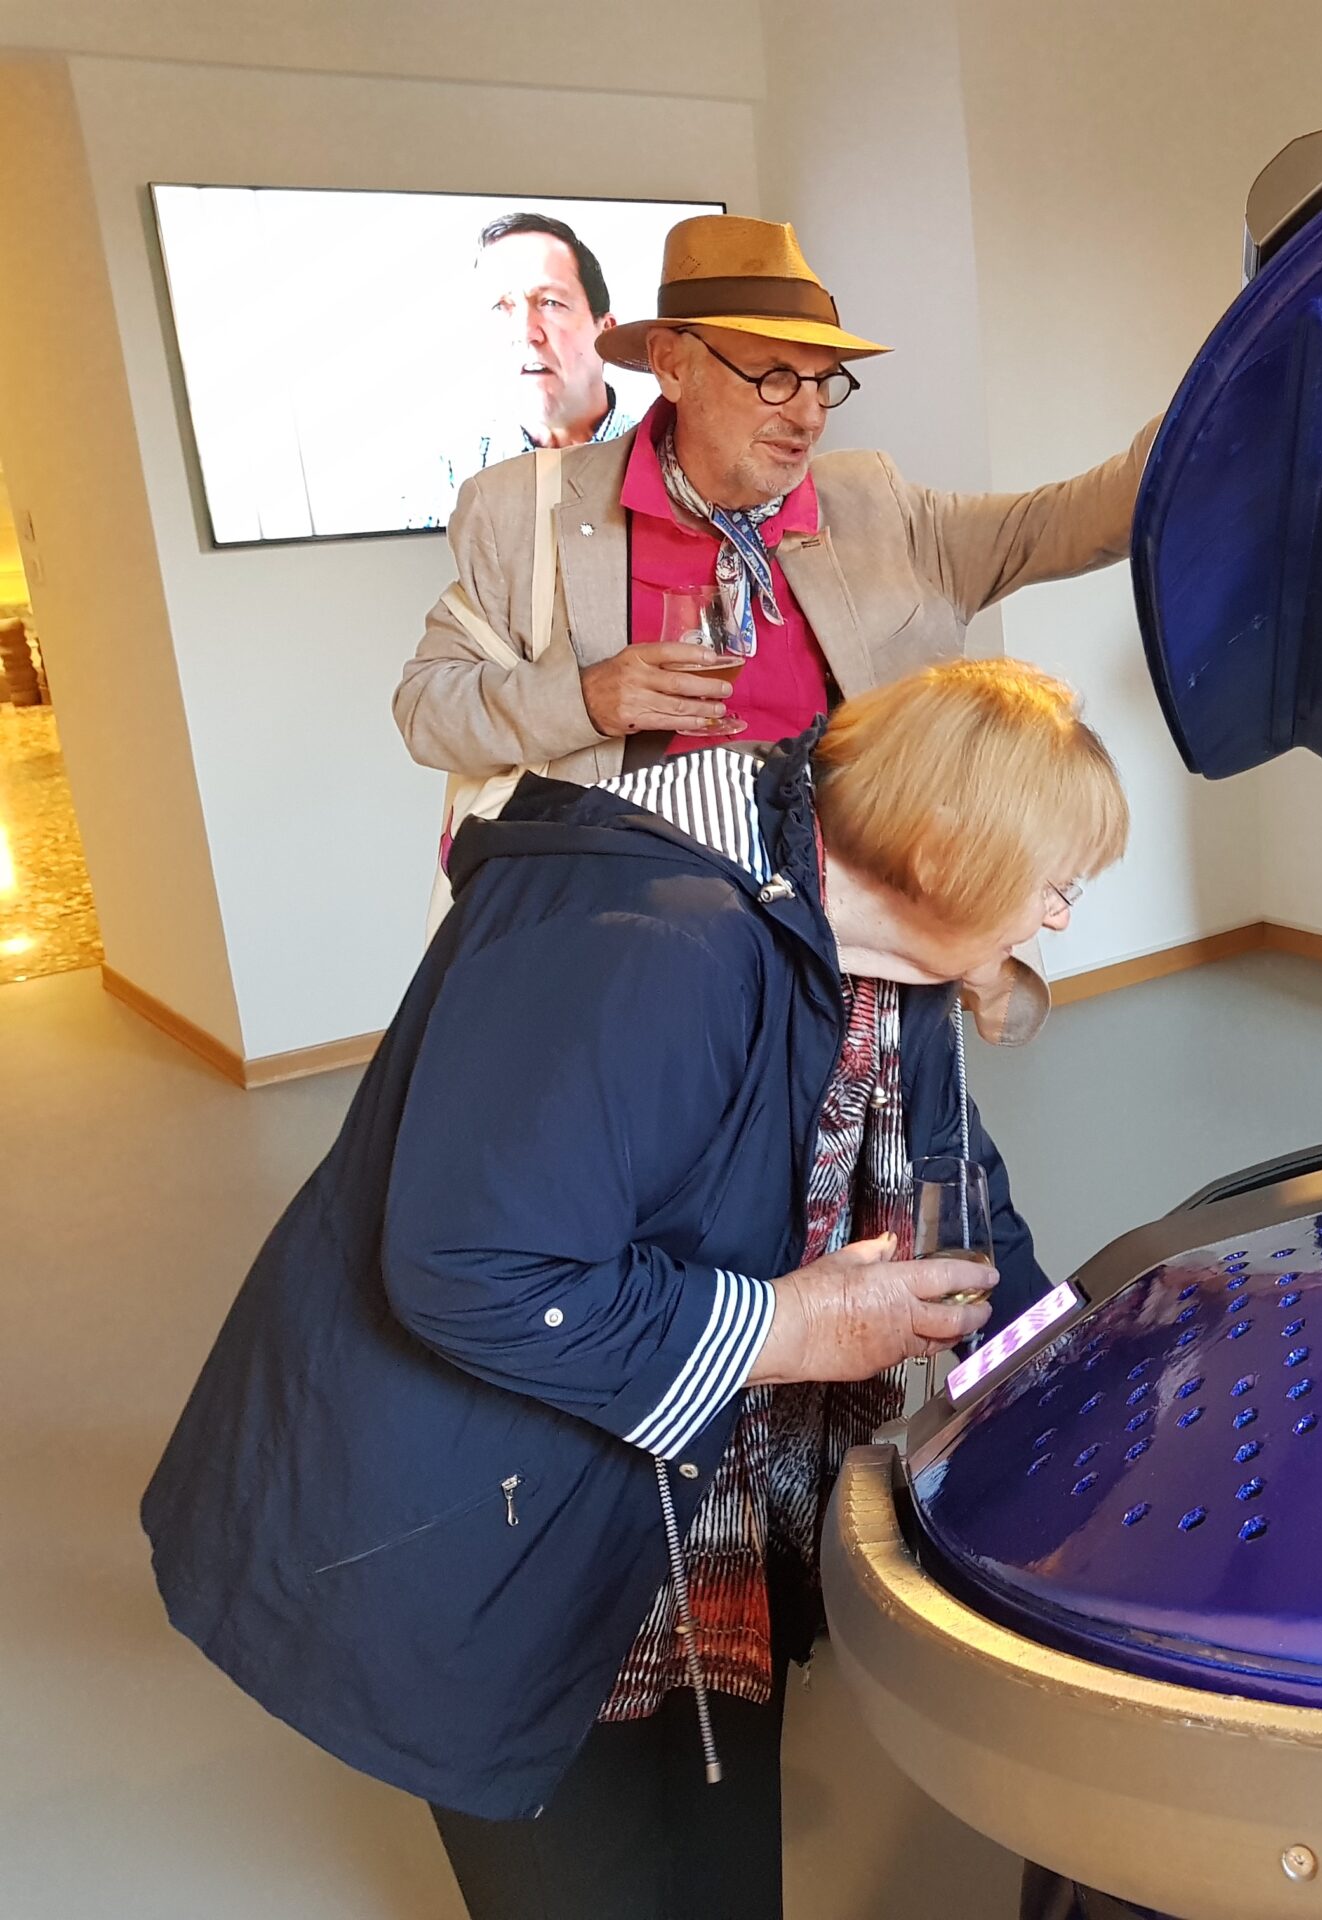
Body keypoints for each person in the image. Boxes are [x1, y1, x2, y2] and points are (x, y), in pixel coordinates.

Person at [143, 658, 1129, 1920]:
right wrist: (792, 1325)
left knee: (716, 1871)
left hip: (686, 1501)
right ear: (939, 854)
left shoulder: (887, 960)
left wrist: (1076, 1389)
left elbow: (961, 1203)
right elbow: (476, 1272)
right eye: (1053, 885)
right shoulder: (656, 940)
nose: (1057, 920)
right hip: (490, 1518)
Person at [396, 212, 1155, 784]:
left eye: (824, 381)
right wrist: (587, 700)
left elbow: (1068, 521)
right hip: (642, 895)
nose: (809, 415)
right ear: (672, 365)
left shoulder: (875, 502)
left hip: (845, 900)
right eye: (774, 377)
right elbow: (428, 708)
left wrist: (1208, 412)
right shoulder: (524, 511)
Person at [441, 211, 644, 492]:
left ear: (606, 333)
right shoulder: (448, 479)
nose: (527, 333)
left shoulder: (666, 463)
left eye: (551, 302)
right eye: (501, 307)